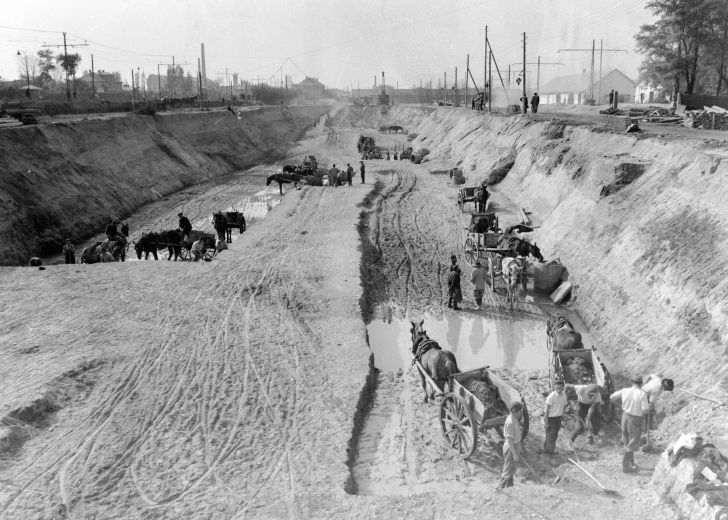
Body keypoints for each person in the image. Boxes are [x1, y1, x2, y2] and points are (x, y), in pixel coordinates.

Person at [610, 376, 650, 473]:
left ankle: (631, 462)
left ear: (632, 382)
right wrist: (649, 408)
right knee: (633, 441)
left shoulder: (625, 390)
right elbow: (645, 409)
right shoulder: (642, 394)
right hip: (635, 419)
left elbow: (612, 397)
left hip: (625, 416)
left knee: (626, 439)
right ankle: (625, 466)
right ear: (641, 384)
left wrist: (621, 404)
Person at [496, 402, 525, 489]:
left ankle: (509, 486)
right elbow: (509, 440)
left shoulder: (514, 419)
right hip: (510, 449)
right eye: (520, 412)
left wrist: (519, 448)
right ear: (516, 412)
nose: (521, 414)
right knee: (507, 469)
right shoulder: (510, 422)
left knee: (511, 468)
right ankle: (499, 488)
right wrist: (514, 453)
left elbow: (516, 438)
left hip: (514, 446)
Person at [543, 379, 568, 454]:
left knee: (554, 435)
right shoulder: (551, 396)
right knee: (550, 435)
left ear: (563, 388)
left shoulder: (564, 395)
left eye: (560, 388)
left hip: (558, 418)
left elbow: (564, 405)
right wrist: (546, 421)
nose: (558, 390)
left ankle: (548, 450)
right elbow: (546, 410)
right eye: (557, 388)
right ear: (555, 388)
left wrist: (562, 415)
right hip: (551, 418)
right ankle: (550, 452)